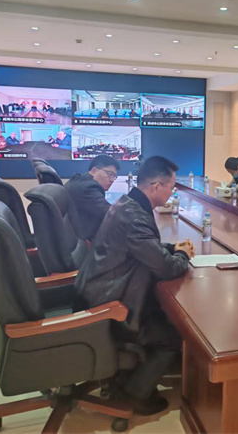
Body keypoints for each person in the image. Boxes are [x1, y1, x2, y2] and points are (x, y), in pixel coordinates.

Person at [75, 156, 195, 415]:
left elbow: (141, 247)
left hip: (101, 289)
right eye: (171, 187)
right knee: (172, 336)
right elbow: (167, 268)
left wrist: (170, 247)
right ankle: (135, 394)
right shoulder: (135, 217)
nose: (172, 192)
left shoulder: (127, 204)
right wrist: (182, 255)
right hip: (110, 304)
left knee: (165, 316)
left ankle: (126, 379)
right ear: (156, 186)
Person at [65, 155, 120, 241]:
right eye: (109, 174)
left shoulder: (79, 181)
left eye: (114, 176)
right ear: (94, 171)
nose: (112, 180)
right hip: (83, 242)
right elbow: (110, 214)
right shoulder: (88, 188)